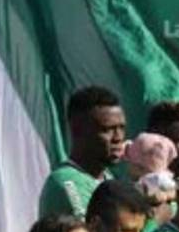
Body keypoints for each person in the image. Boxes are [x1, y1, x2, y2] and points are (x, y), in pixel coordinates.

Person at [38, 86, 127, 219]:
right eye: (107, 129)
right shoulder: (67, 182)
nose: (118, 138)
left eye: (122, 128)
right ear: (78, 130)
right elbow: (92, 231)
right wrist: (155, 213)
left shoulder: (108, 178)